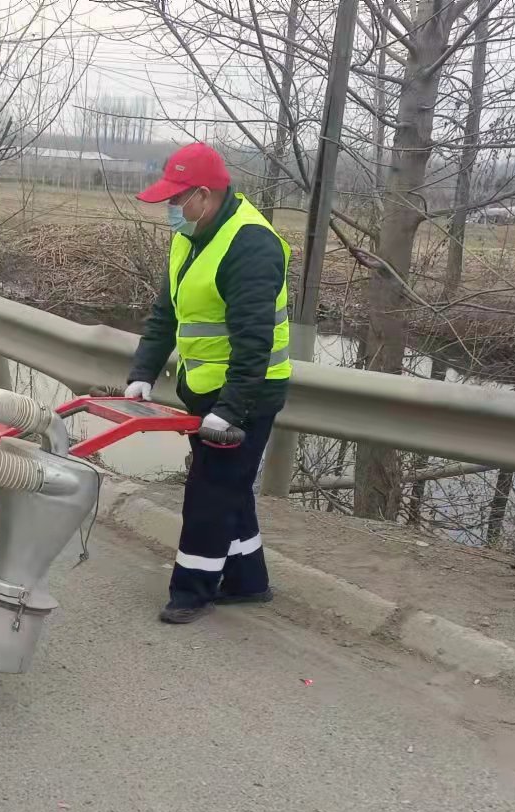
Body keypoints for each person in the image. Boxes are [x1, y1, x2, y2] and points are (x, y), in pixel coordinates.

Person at [124, 142, 291, 624]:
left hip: (247, 393)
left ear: (204, 194)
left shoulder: (250, 245)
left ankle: (191, 591)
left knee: (209, 493)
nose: (170, 209)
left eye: (177, 199)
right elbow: (166, 313)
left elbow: (253, 342)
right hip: (207, 389)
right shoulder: (191, 236)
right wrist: (142, 374)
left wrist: (229, 410)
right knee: (230, 486)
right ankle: (247, 581)